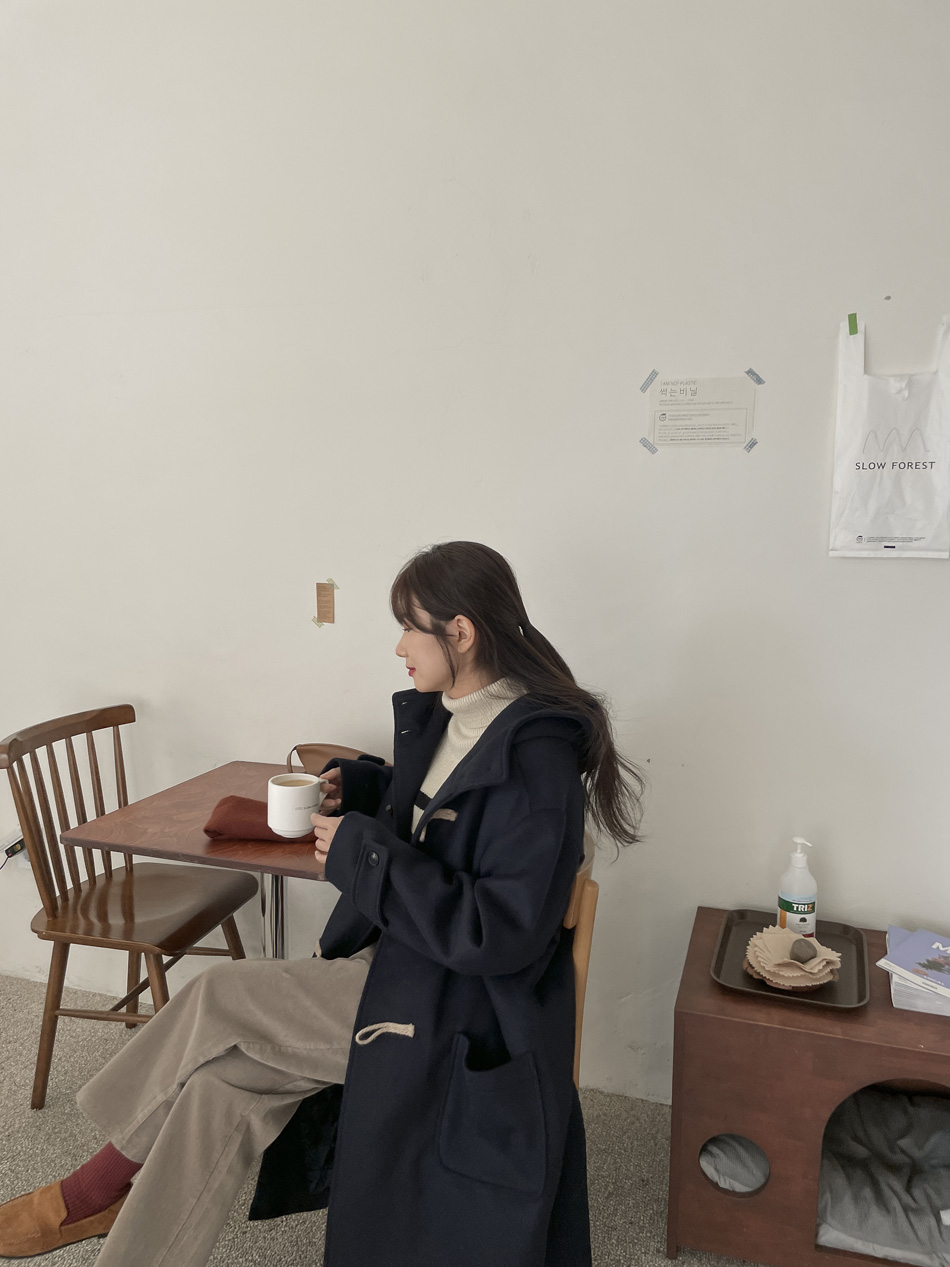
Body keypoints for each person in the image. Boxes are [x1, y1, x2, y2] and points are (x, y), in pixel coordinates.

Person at [0, 540, 643, 1267]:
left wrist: (363, 855)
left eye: (410, 627)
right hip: (405, 961)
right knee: (217, 1089)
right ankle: (115, 1228)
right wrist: (362, 789)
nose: (399, 646)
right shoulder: (467, 714)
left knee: (216, 996)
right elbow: (445, 809)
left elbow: (501, 931)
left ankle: (90, 1187)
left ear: (461, 632)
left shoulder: (533, 757)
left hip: (452, 1007)